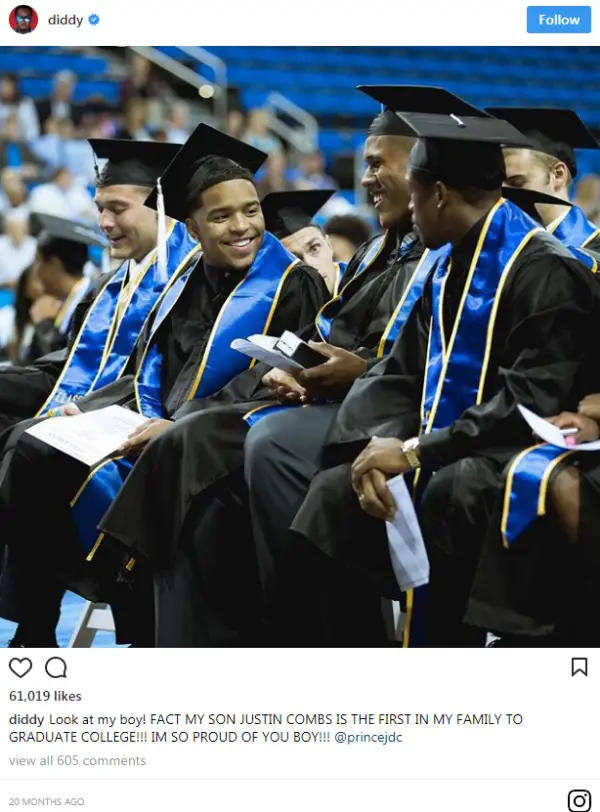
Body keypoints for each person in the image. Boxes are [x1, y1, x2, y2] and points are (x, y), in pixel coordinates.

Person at [246, 87, 600, 648]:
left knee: (452, 488)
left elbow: (525, 403)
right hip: (456, 439)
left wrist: (414, 452)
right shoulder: (444, 268)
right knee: (334, 494)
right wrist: (366, 447)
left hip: (520, 444)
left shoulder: (548, 272)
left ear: (436, 194)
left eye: (413, 196)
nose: (407, 212)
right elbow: (403, 375)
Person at [98, 86, 448, 648]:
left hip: (367, 412)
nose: (365, 181)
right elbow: (329, 335)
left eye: (378, 165)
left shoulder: (439, 256)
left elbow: (422, 358)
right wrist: (296, 368)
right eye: (221, 216)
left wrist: (347, 371)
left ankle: (119, 563)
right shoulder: (381, 250)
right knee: (205, 503)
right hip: (314, 398)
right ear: (192, 228)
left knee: (193, 435)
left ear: (425, 167)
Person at [1, 124, 327, 648]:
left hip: (223, 432)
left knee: (149, 459)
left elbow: (268, 378)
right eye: (221, 216)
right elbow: (146, 367)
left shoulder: (294, 283)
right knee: (35, 444)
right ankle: (35, 627)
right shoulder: (182, 284)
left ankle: (138, 617)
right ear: (193, 230)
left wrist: (177, 422)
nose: (242, 227)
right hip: (155, 421)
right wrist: (86, 408)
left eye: (251, 210)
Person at [487, 107, 600, 251]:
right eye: (498, 186)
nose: (504, 197)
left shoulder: (593, 255)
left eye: (517, 183)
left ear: (558, 175)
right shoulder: (496, 250)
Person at [23, 214, 106, 361]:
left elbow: (71, 364)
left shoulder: (95, 304)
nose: (35, 270)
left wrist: (45, 325)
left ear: (53, 265)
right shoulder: (63, 300)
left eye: (38, 260)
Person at [261, 189, 342, 294]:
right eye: (294, 260)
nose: (311, 265)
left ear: (329, 245)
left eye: (314, 248)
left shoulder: (362, 293)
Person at [0, 213, 37, 289]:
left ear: (26, 229)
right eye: (14, 229)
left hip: (26, 289)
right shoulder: (1, 243)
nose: (17, 232)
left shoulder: (34, 245)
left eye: (20, 228)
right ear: (8, 230)